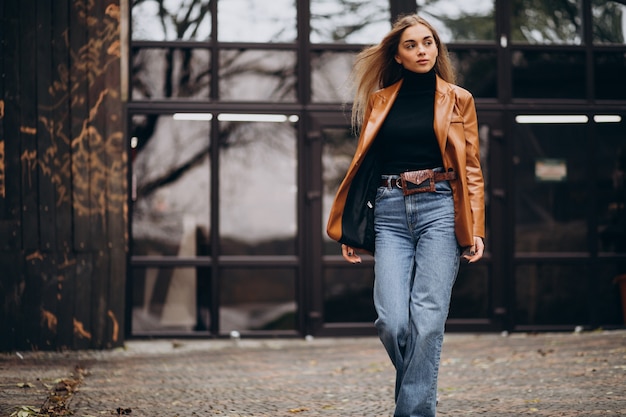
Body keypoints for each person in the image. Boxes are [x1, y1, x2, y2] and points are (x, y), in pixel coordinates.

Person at [326, 14, 485, 417]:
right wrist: (350, 227)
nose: (422, 51)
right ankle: (418, 390)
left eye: (428, 43)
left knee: (428, 322)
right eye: (411, 45)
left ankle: (413, 411)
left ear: (437, 48)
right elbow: (364, 166)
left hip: (440, 208)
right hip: (390, 210)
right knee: (392, 322)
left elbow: (471, 169)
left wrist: (476, 228)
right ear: (396, 55)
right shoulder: (380, 101)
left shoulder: (459, 98)